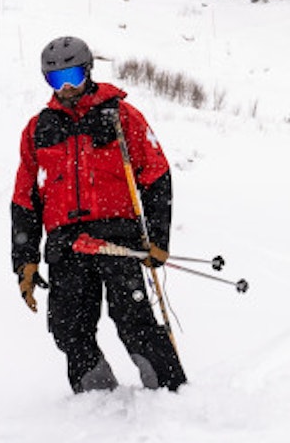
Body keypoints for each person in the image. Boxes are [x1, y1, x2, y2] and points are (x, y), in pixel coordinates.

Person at [11, 35, 187, 394]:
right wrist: (24, 260)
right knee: (67, 328)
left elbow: (155, 175)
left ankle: (172, 394)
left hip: (116, 239)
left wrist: (157, 238)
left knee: (133, 320)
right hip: (66, 246)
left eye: (73, 75)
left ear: (88, 70)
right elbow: (25, 201)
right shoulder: (38, 130)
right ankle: (96, 400)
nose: (68, 88)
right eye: (57, 80)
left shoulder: (122, 116)